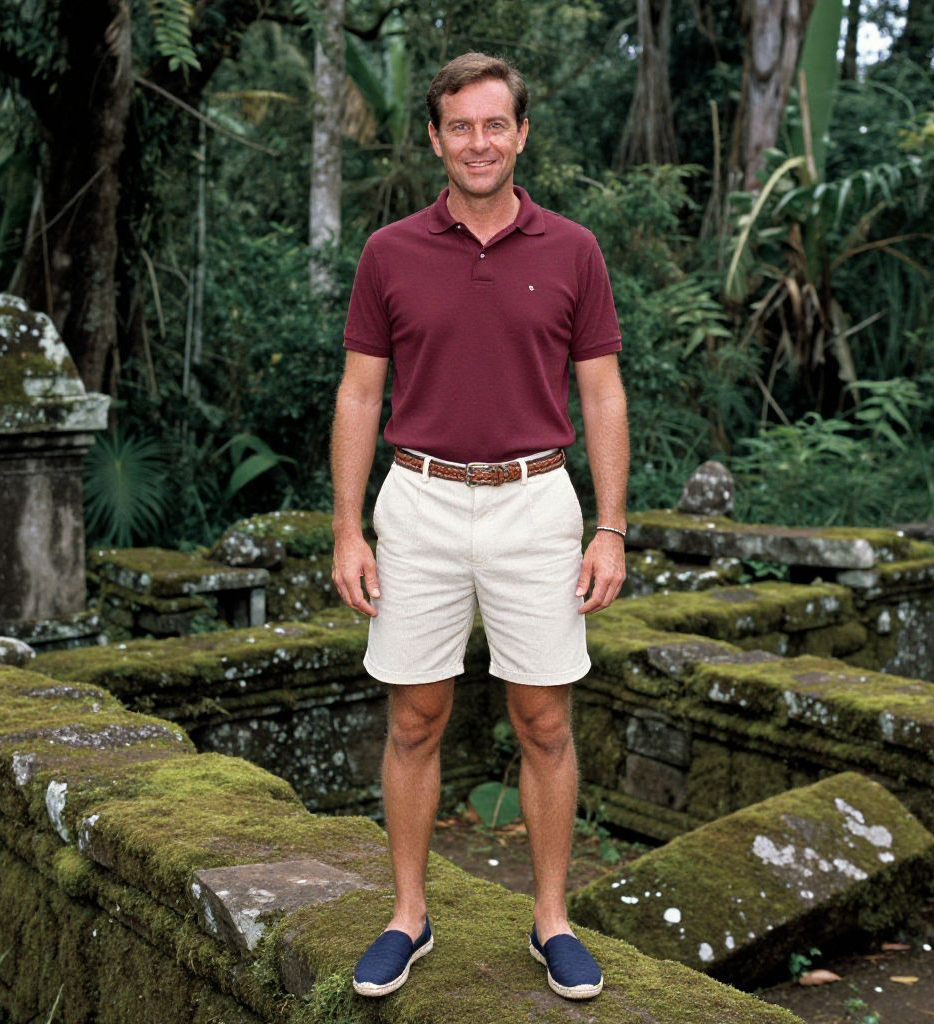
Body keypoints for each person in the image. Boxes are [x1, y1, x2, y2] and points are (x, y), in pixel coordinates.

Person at [329, 51, 629, 1002]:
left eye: (494, 124)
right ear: (435, 138)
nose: (479, 142)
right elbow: (359, 392)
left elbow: (603, 392)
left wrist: (611, 527)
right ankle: (407, 916)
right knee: (415, 716)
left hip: (538, 501)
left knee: (543, 718)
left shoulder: (573, 249)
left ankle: (552, 922)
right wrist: (346, 528)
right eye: (460, 126)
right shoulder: (390, 252)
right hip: (415, 500)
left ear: (522, 133)